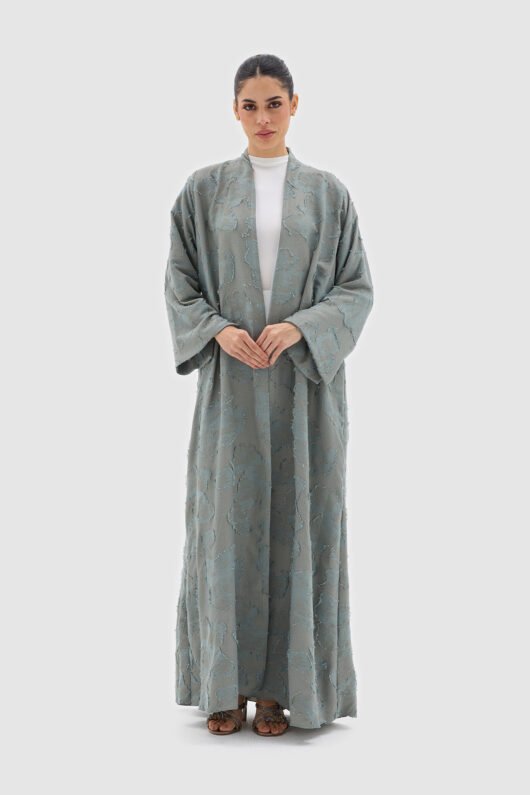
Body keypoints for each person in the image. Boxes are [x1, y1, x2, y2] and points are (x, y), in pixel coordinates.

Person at [164, 53, 374, 737]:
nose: (263, 117)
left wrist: (302, 326)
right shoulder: (202, 192)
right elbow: (180, 282)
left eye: (274, 104)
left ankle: (283, 689)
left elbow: (356, 288)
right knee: (224, 523)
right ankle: (223, 685)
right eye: (250, 105)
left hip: (304, 390)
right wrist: (218, 330)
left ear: (294, 105)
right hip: (231, 387)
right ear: (234, 110)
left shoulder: (328, 195)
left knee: (301, 522)